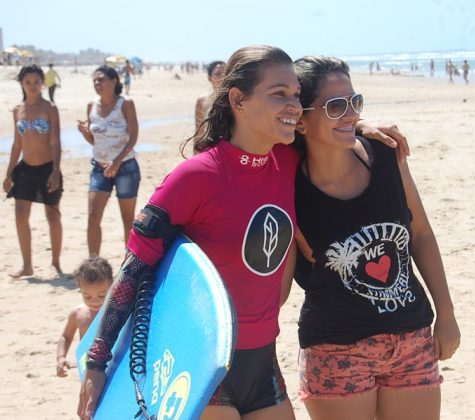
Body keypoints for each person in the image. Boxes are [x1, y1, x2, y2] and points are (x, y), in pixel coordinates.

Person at [77, 45, 407, 420]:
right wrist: (96, 363)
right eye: (279, 94)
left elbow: (327, 128)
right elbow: (133, 269)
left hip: (263, 360)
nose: (294, 106)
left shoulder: (286, 160)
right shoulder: (196, 177)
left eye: (296, 95)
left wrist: (362, 127)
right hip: (202, 363)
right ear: (238, 100)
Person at [287, 56, 460, 420]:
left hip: (412, 337)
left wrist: (446, 313)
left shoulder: (385, 153)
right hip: (336, 349)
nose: (349, 114)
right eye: (335, 106)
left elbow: (422, 234)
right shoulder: (283, 183)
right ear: (300, 119)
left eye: (355, 102)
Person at [3, 64, 63, 278]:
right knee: (20, 215)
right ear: (22, 84)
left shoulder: (49, 108)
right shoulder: (18, 110)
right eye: (28, 82)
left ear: (42, 83)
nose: (33, 86)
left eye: (37, 82)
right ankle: (27, 265)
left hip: (47, 169)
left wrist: (55, 170)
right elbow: (17, 145)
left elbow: (55, 141)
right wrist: (8, 173)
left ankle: (56, 263)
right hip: (25, 170)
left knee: (53, 216)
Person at [77, 65, 140, 256]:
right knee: (92, 216)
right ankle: (93, 262)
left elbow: (133, 136)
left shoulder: (125, 103)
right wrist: (84, 133)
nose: (97, 83)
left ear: (114, 82)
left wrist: (117, 161)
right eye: (95, 80)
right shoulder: (91, 105)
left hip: (126, 166)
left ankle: (129, 264)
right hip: (99, 167)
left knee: (127, 219)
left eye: (101, 79)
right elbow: (94, 140)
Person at [56, 256, 113, 377]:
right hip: (89, 368)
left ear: (112, 286)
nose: (94, 301)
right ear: (80, 289)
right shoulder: (78, 315)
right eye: (87, 296)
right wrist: (61, 357)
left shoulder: (116, 312)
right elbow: (66, 337)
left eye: (102, 295)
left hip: (113, 364)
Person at [194, 60, 226, 140]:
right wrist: (197, 152)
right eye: (217, 74)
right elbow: (199, 131)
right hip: (210, 147)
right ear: (209, 78)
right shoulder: (202, 100)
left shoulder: (236, 99)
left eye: (225, 73)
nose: (222, 77)